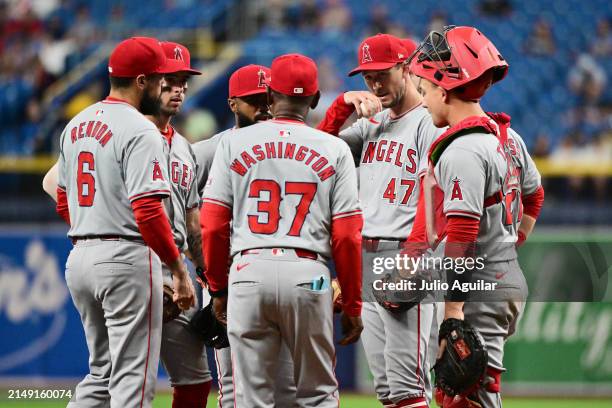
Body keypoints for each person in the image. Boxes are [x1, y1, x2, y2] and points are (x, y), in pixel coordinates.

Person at [201, 53, 364, 407]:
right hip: (311, 275)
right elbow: (348, 235)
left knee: (251, 397)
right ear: (316, 98)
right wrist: (352, 302)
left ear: (270, 95)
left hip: (247, 270)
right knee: (318, 394)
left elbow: (212, 225)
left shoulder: (232, 142)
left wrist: (218, 287)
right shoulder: (335, 148)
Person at [53, 37, 196, 407]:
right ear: (143, 81)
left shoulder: (77, 124)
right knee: (133, 381)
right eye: (161, 80)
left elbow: (63, 197)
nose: (165, 86)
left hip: (81, 257)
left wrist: (90, 235)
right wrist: (178, 271)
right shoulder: (140, 129)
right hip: (126, 256)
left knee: (101, 375)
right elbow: (148, 211)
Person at [408, 25, 544, 407]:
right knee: (462, 394)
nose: (423, 101)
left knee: (468, 397)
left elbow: (464, 233)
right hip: (499, 275)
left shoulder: (463, 149)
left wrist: (453, 311)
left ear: (444, 87)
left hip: (477, 289)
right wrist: (509, 246)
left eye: (425, 90)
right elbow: (535, 196)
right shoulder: (507, 136)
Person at [317, 33, 442, 407]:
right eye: (366, 76)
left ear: (405, 68)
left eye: (382, 73)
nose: (373, 83)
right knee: (388, 391)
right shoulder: (371, 124)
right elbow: (316, 154)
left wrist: (413, 256)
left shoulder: (427, 122)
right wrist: (342, 105)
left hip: (406, 255)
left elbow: (432, 198)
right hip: (367, 259)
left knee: (408, 387)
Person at [193, 64, 298, 407]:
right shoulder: (211, 150)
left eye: (268, 97)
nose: (264, 106)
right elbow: (175, 199)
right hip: (225, 275)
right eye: (254, 100)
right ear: (233, 104)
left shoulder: (292, 144)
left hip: (282, 271)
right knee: (233, 386)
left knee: (287, 385)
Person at [146, 41, 213, 408]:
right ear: (149, 82)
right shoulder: (122, 131)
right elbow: (53, 183)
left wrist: (207, 276)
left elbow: (192, 224)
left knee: (195, 381)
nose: (178, 90)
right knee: (121, 382)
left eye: (184, 81)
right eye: (170, 81)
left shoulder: (184, 147)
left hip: (175, 269)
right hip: (133, 259)